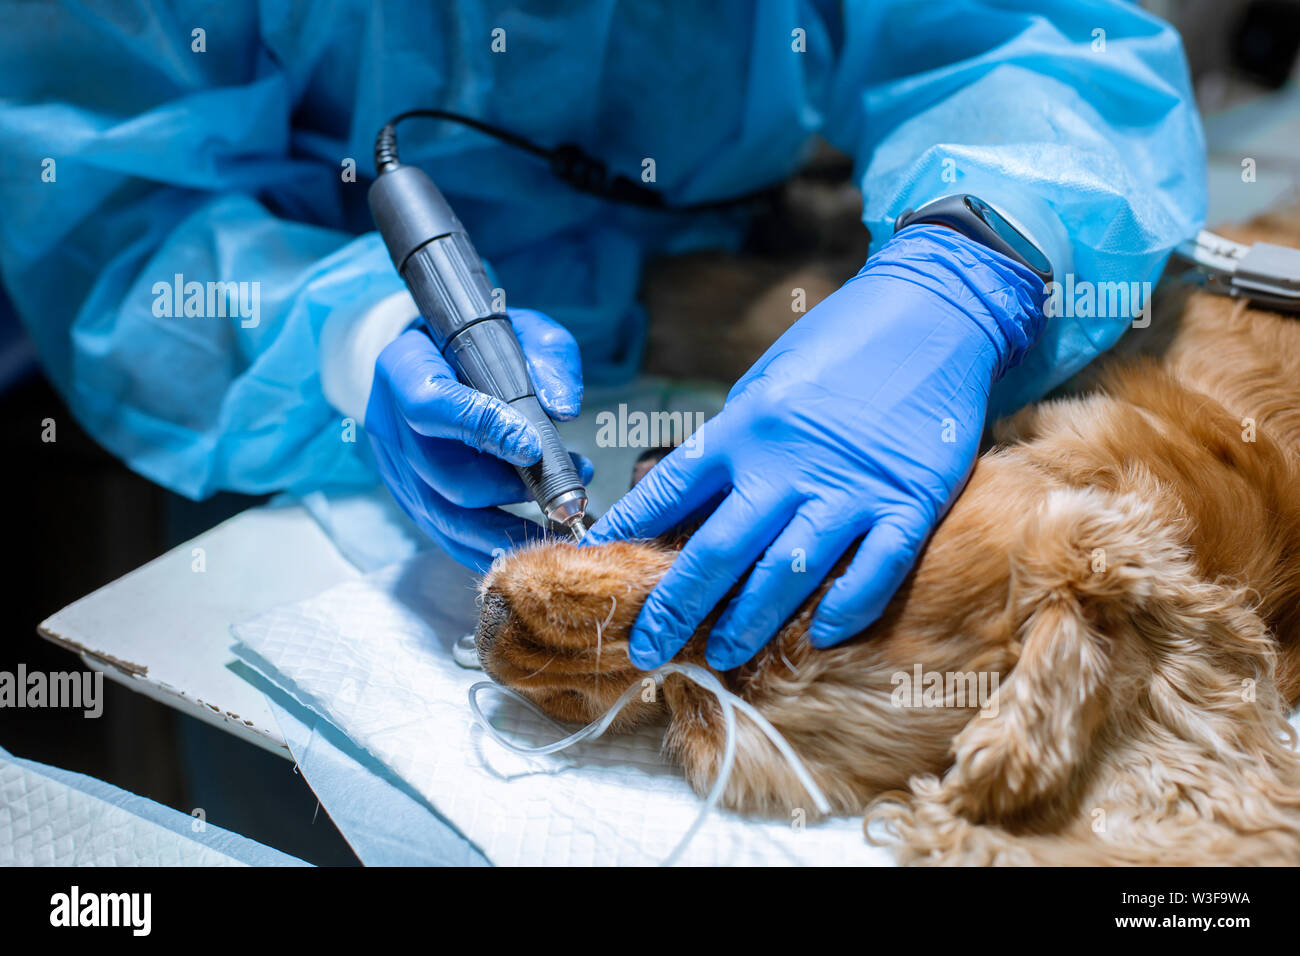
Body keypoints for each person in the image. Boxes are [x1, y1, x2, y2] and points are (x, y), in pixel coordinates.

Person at [0, 1, 1205, 671]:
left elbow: (1036, 47)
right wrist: (353, 336)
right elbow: (109, 216)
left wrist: (971, 259)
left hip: (725, 321)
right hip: (286, 440)